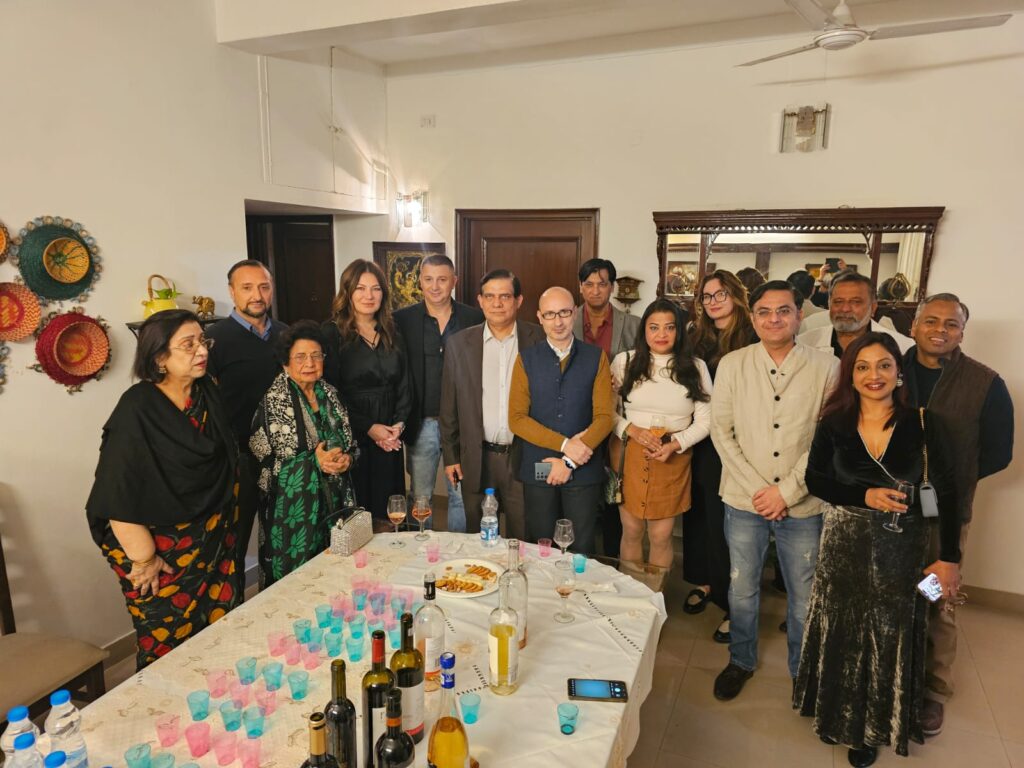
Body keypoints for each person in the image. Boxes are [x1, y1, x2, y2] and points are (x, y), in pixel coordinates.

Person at [795, 332, 961, 767]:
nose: (874, 375)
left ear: (898, 373)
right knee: (844, 633)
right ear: (850, 375)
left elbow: (947, 493)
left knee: (892, 634)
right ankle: (841, 719)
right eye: (863, 366)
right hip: (843, 546)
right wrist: (864, 496)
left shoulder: (923, 423)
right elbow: (815, 481)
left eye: (884, 365)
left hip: (902, 549)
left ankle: (878, 725)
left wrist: (948, 559)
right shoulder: (833, 424)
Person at [86, 310, 241, 669]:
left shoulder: (206, 392)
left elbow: (223, 459)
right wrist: (144, 558)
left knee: (221, 639)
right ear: (159, 357)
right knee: (168, 651)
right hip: (162, 556)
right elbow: (117, 491)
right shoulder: (137, 408)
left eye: (203, 341)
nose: (202, 350)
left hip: (214, 543)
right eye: (188, 344)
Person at [710, 280, 838, 702]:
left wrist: (786, 492)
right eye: (764, 311)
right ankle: (741, 659)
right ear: (752, 318)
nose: (774, 319)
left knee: (804, 594)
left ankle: (803, 671)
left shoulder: (827, 367)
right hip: (743, 499)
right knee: (741, 587)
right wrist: (760, 491)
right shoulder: (732, 364)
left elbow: (825, 439)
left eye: (784, 310)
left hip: (804, 503)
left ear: (799, 315)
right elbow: (721, 432)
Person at [902, 293, 1014, 736]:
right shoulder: (888, 369)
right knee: (891, 594)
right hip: (890, 507)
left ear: (962, 333)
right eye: (931, 321)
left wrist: (947, 482)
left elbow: (999, 453)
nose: (940, 330)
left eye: (951, 324)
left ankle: (934, 687)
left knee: (935, 598)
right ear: (913, 326)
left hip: (943, 517)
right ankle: (894, 675)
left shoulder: (985, 383)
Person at [249, 321, 358, 587]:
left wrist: (348, 459)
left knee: (337, 580)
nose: (309, 363)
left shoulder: (331, 394)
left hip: (336, 504)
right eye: (300, 357)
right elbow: (264, 466)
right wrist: (313, 462)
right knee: (298, 586)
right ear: (286, 362)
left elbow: (351, 442)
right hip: (292, 515)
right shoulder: (273, 402)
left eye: (316, 355)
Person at [509, 286, 614, 554]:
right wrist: (566, 445)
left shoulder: (596, 358)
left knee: (581, 546)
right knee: (541, 545)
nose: (558, 322)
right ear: (539, 317)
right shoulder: (526, 360)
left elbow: (605, 418)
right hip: (540, 467)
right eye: (550, 314)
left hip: (583, 469)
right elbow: (517, 420)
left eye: (564, 313)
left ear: (575, 313)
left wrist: (569, 461)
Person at [440, 269, 544, 536]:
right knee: (479, 536)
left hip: (523, 456)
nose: (497, 303)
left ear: (518, 300)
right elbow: (449, 407)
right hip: (477, 458)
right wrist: (451, 457)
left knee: (524, 536)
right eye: (490, 296)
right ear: (480, 300)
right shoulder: (458, 344)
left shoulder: (539, 339)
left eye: (505, 296)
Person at [610, 298, 712, 569]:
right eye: (654, 327)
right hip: (631, 452)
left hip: (673, 456)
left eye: (669, 327)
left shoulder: (695, 367)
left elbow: (706, 420)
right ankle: (632, 590)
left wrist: (676, 444)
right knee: (631, 530)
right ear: (644, 330)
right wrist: (631, 430)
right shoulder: (625, 361)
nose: (661, 334)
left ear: (679, 331)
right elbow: (606, 412)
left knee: (661, 535)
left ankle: (655, 593)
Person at [684, 270, 757, 643]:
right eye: (707, 296)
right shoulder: (696, 337)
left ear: (736, 295)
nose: (713, 302)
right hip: (699, 437)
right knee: (699, 511)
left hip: (738, 438)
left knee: (729, 520)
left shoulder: (753, 335)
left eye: (720, 294)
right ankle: (705, 580)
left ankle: (734, 601)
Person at [206, 259, 288, 580]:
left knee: (283, 540)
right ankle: (236, 606)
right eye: (247, 287)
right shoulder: (214, 340)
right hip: (239, 460)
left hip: (283, 458)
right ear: (232, 292)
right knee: (234, 548)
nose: (257, 295)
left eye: (264, 287)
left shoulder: (285, 334)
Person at [394, 255, 483, 533]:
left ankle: (458, 552)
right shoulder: (402, 320)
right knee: (421, 495)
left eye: (442, 279)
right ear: (420, 282)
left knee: (460, 495)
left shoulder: (474, 318)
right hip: (423, 421)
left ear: (454, 281)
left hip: (463, 423)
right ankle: (420, 550)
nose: (435, 286)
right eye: (429, 279)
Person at [322, 259, 412, 521]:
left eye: (376, 289)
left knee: (389, 510)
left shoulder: (393, 330)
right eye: (360, 288)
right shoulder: (331, 333)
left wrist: (398, 425)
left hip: (389, 437)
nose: (369, 296)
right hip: (352, 435)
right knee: (358, 514)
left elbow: (405, 382)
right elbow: (330, 392)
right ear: (347, 292)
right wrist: (370, 428)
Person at [572, 258, 640, 558]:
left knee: (616, 490)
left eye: (602, 284)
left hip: (617, 420)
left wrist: (622, 379)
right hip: (576, 418)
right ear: (580, 287)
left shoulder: (634, 325)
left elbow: (644, 368)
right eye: (588, 284)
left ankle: (613, 558)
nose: (595, 290)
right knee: (579, 491)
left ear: (612, 287)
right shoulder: (567, 319)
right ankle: (578, 556)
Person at [799, 270, 913, 358]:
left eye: (855, 302)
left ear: (873, 307)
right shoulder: (804, 344)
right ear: (829, 304)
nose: (845, 309)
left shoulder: (902, 347)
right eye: (838, 302)